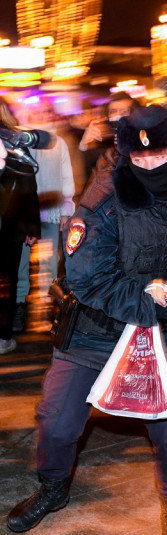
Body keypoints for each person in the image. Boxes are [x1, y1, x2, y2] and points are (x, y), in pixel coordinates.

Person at [6, 105, 167, 535]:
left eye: (158, 156)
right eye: (139, 159)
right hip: (97, 330)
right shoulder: (103, 195)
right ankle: (54, 486)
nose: (148, 165)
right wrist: (151, 305)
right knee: (56, 423)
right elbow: (87, 277)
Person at [15, 98, 76, 333]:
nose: (41, 115)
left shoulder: (57, 142)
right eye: (36, 111)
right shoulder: (20, 138)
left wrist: (66, 210)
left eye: (45, 111)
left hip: (50, 210)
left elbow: (66, 176)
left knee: (49, 264)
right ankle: (19, 308)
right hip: (24, 212)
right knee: (20, 263)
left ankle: (50, 308)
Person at [0, 97, 41, 354]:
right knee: (7, 281)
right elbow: (28, 186)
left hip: (11, 223)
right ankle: (3, 336)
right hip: (11, 224)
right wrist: (30, 227)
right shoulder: (16, 141)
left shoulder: (15, 141)